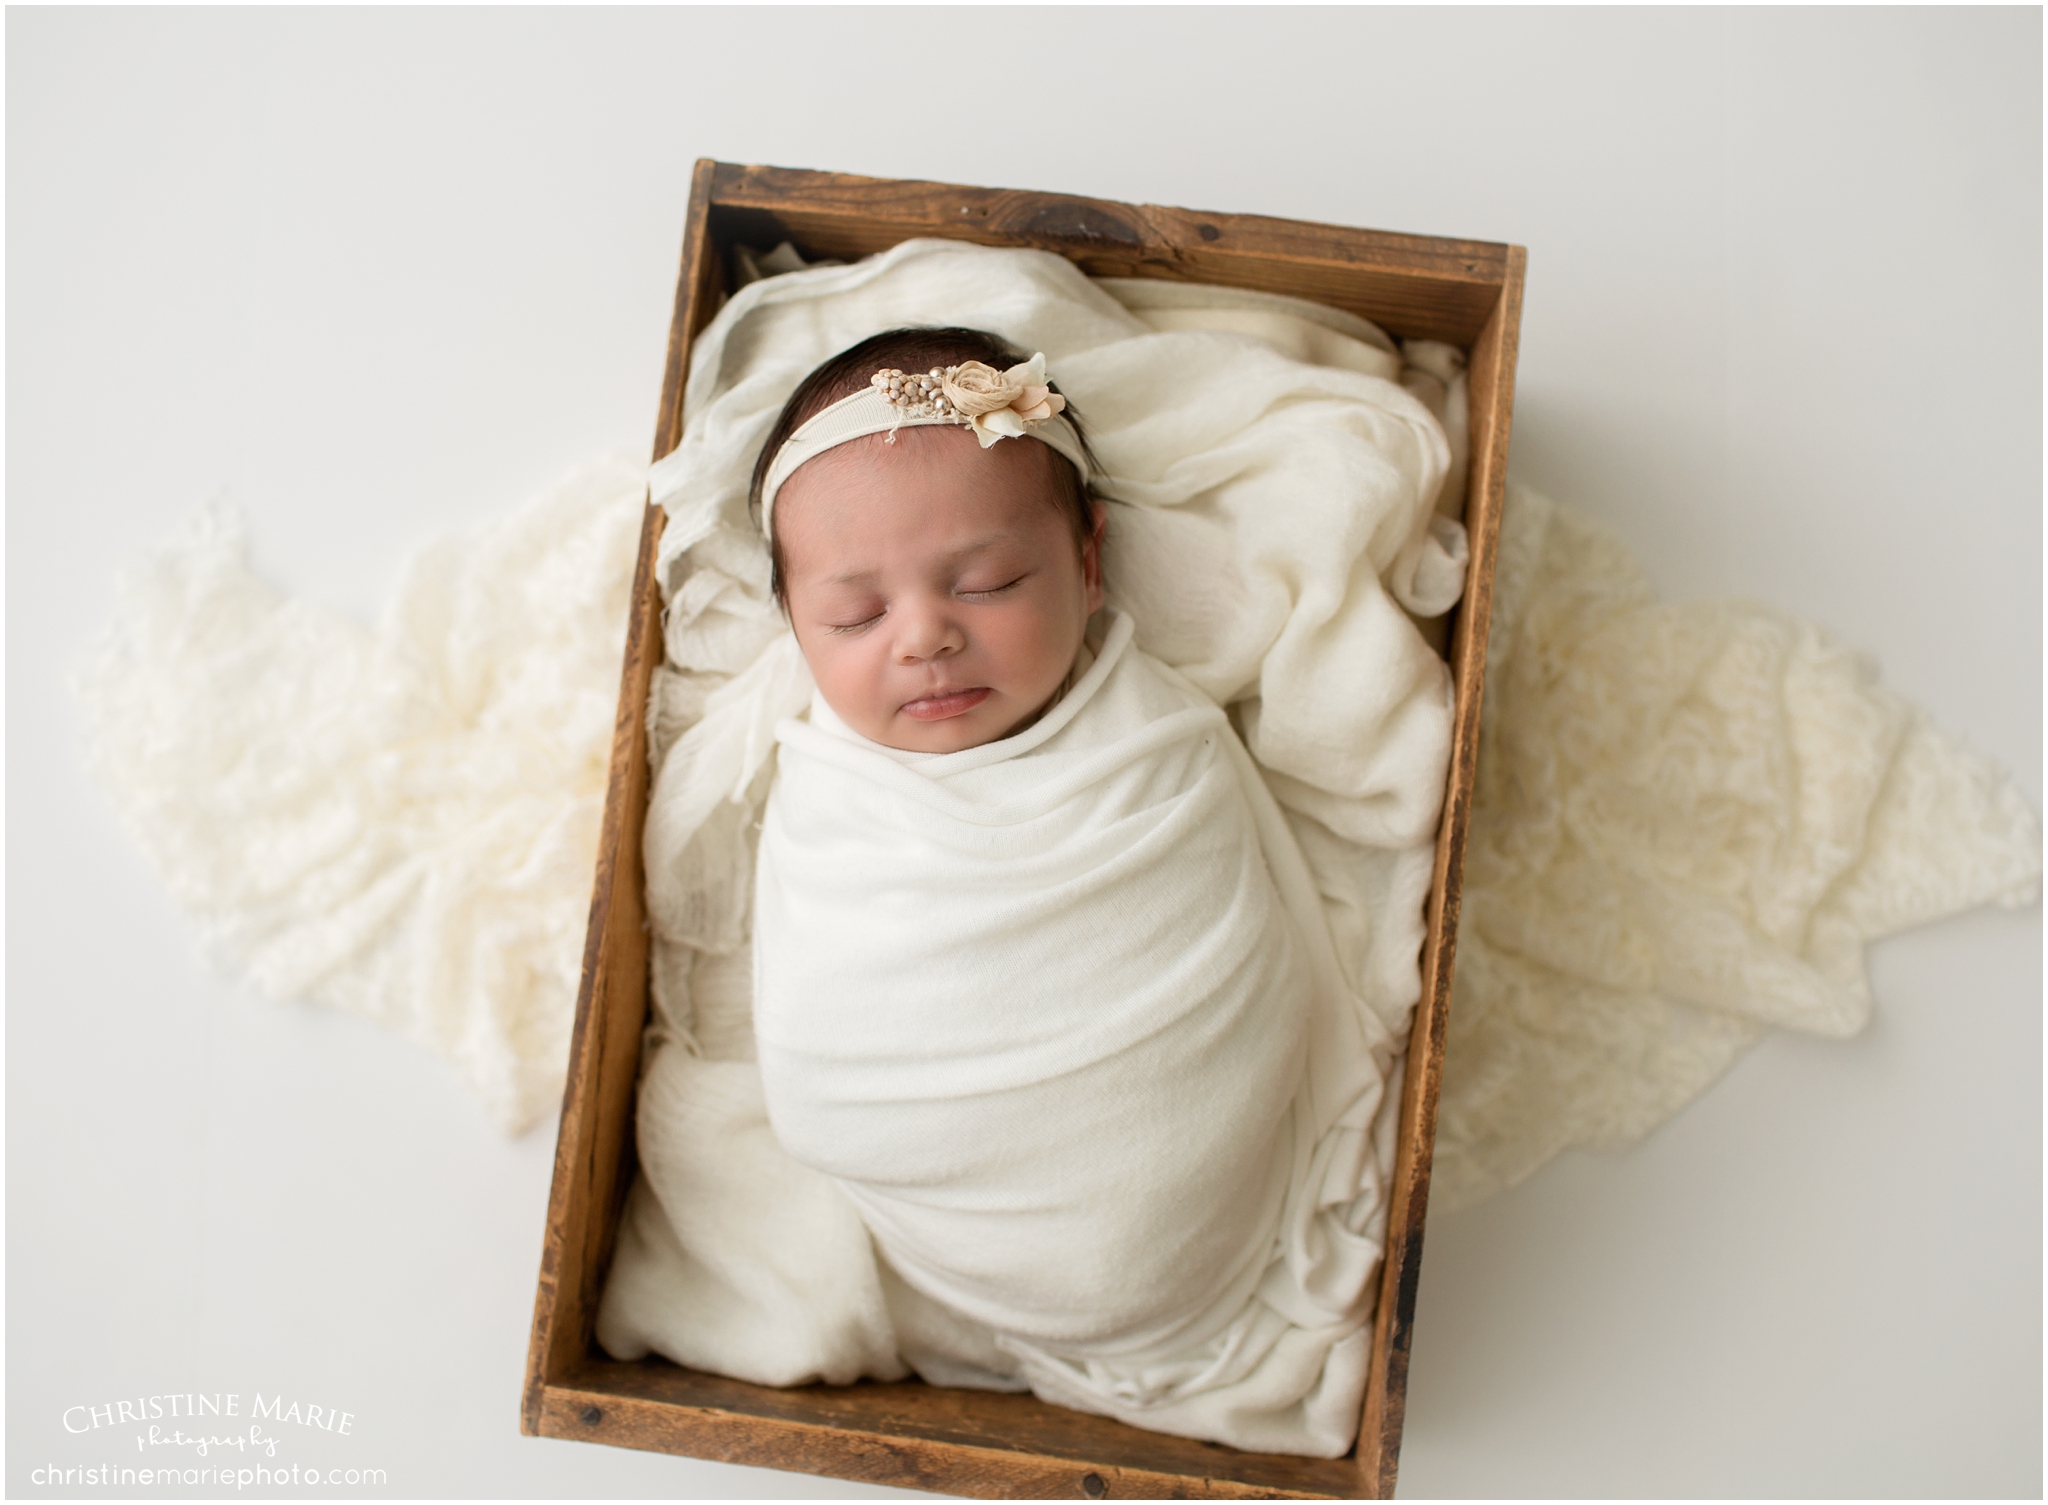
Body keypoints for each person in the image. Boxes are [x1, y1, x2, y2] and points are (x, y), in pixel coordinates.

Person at [744, 325, 1391, 1455]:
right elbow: (818, 1046)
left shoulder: (1154, 753)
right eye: (852, 615)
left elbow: (1231, 948)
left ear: (1089, 563)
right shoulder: (826, 797)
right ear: (794, 626)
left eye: (988, 582)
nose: (927, 635)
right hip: (963, 1208)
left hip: (1191, 1208)